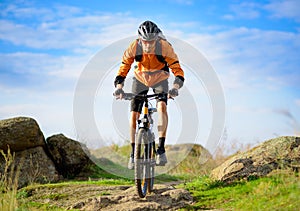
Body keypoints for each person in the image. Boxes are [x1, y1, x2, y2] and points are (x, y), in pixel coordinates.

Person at [114, 20, 185, 169]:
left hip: (160, 79)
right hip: (140, 79)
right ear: (140, 40)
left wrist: (175, 88)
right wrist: (119, 88)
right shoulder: (134, 47)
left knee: (162, 108)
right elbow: (123, 68)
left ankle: (160, 149)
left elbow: (177, 70)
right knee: (134, 114)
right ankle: (133, 153)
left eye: (151, 42)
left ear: (156, 39)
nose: (148, 45)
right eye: (144, 42)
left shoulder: (165, 47)